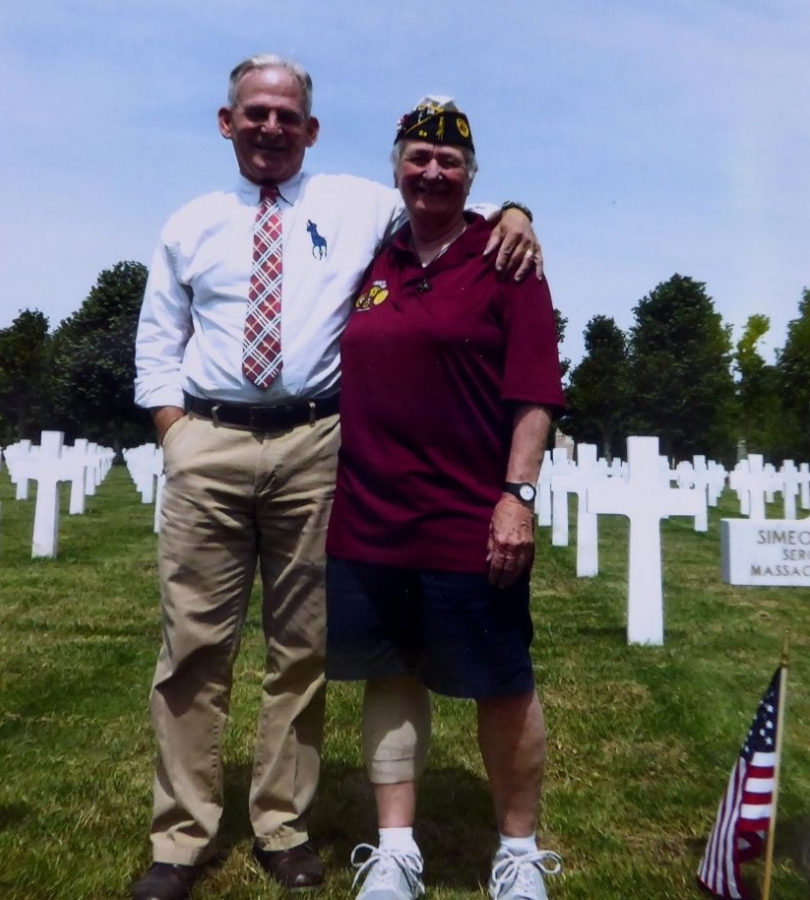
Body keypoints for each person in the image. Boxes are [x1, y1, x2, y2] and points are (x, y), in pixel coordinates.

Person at [131, 57, 542, 900]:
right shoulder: (190, 223)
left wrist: (519, 211)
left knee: (302, 653)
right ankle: (181, 836)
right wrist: (178, 436)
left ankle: (283, 826)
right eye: (256, 113)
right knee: (193, 650)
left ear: (311, 130)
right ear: (227, 121)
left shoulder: (361, 204)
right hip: (209, 437)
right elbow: (155, 345)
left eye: (288, 115)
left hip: (317, 445)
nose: (272, 127)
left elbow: (453, 200)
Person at [324, 97, 566, 900]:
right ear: (397, 167)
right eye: (419, 157)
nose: (433, 171)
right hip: (370, 515)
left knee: (502, 681)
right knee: (389, 674)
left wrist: (517, 496)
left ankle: (518, 852)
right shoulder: (372, 256)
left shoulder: (507, 259)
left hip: (472, 515)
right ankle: (396, 850)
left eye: (450, 161)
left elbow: (535, 391)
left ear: (472, 178)